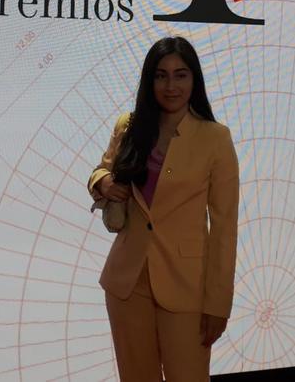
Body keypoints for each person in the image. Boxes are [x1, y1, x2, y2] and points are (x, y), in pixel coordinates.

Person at [87, 36, 240, 381]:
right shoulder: (129, 126)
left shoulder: (216, 138)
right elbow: (100, 169)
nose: (171, 85)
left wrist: (218, 304)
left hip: (187, 287)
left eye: (181, 75)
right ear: (150, 80)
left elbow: (224, 227)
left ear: (194, 80)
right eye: (161, 75)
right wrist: (103, 183)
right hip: (127, 283)